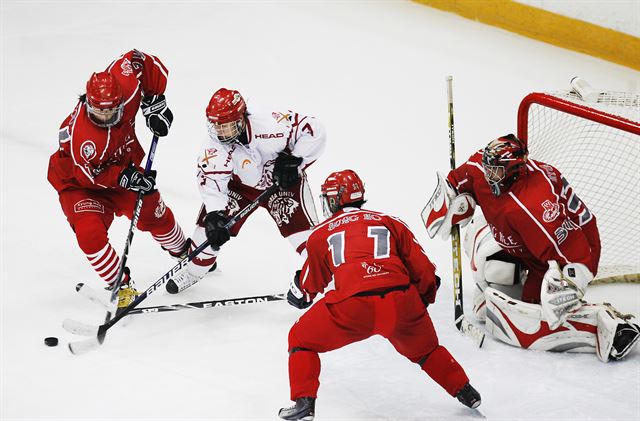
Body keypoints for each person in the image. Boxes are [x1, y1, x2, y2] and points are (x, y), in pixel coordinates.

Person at [278, 169, 481, 421]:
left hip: (353, 307)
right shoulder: (390, 221)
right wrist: (420, 301)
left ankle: (304, 404)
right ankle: (466, 391)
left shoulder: (322, 232)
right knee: (427, 350)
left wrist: (299, 292)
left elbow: (310, 284)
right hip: (401, 301)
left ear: (333, 200)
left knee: (300, 338)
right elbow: (425, 271)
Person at [423, 134, 640, 362]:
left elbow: (576, 252)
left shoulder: (532, 206)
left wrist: (569, 284)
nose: (488, 175)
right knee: (479, 238)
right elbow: (460, 178)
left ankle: (609, 326)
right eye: (487, 168)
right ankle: (498, 289)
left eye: (494, 171)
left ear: (513, 170)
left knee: (533, 320)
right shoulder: (484, 167)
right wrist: (451, 201)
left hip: (568, 253)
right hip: (525, 242)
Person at [47, 49, 187, 308]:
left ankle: (184, 253)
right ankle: (120, 285)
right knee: (89, 235)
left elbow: (139, 59)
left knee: (153, 211)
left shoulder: (126, 84)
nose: (107, 118)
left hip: (121, 165)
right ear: (88, 103)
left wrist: (155, 101)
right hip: (80, 185)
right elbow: (89, 174)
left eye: (113, 112)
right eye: (100, 113)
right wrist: (124, 177)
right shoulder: (84, 137)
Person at [165, 88, 326, 294]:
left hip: (282, 185)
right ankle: (195, 272)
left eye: (226, 126)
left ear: (241, 119)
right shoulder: (213, 147)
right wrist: (215, 214)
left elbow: (315, 130)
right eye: (215, 125)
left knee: (307, 241)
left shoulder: (272, 123)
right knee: (206, 236)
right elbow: (213, 183)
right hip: (239, 188)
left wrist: (296, 160)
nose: (219, 132)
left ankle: (327, 280)